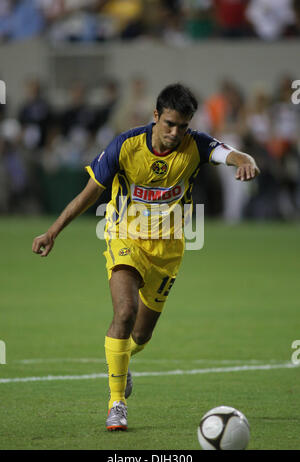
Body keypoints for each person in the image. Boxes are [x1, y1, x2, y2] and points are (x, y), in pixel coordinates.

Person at [32, 83, 260, 431]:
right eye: (169, 123)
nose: (175, 133)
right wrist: (53, 231)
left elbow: (229, 153)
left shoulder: (195, 145)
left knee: (140, 336)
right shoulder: (126, 145)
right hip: (124, 237)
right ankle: (116, 403)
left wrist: (245, 159)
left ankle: (122, 363)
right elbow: (89, 193)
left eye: (182, 126)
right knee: (124, 312)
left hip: (167, 251)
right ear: (155, 116)